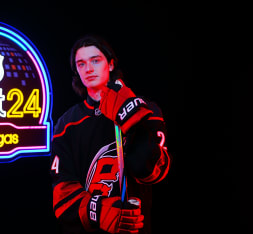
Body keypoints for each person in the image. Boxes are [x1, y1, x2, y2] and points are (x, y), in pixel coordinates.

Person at [50, 35, 171, 234]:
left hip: (136, 227)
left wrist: (130, 119)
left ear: (111, 64)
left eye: (95, 60)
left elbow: (153, 173)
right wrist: (97, 211)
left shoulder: (146, 109)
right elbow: (62, 195)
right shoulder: (66, 123)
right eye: (81, 64)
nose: (88, 69)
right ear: (76, 71)